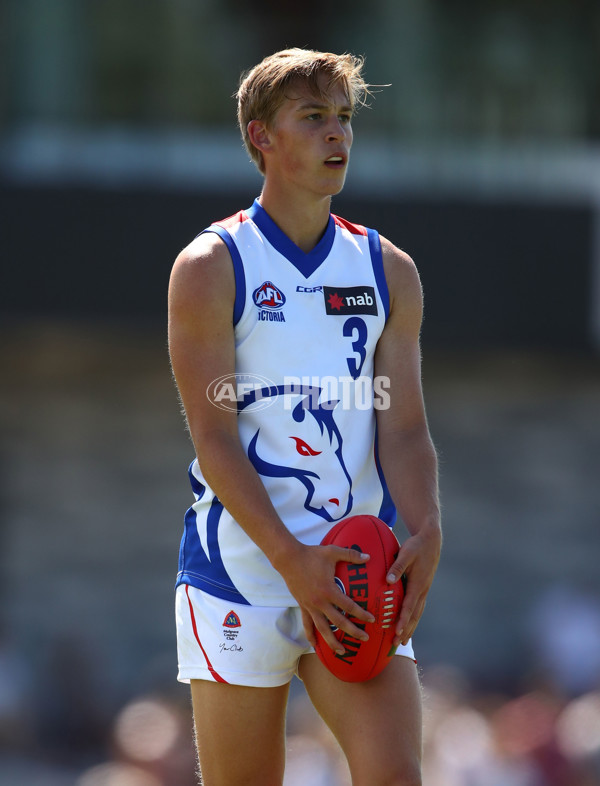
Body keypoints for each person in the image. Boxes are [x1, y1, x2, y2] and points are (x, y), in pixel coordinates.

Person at [168, 48, 441, 786]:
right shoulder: (210, 267)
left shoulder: (389, 271)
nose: (337, 135)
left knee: (395, 776)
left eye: (345, 117)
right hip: (244, 574)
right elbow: (215, 439)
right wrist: (294, 564)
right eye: (313, 116)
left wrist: (424, 530)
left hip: (357, 572)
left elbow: (404, 427)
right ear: (261, 137)